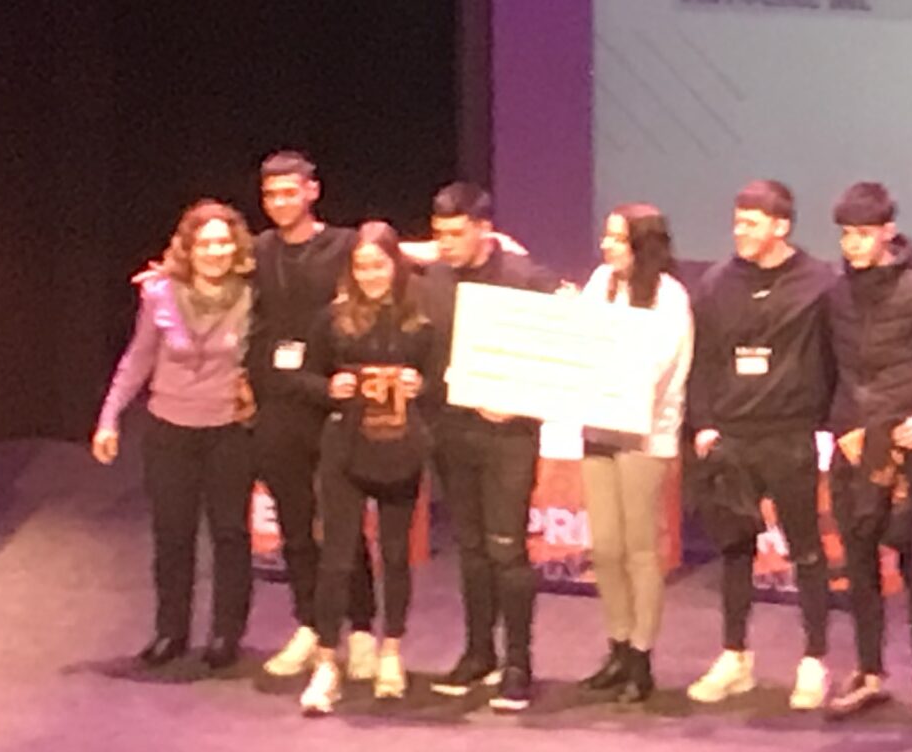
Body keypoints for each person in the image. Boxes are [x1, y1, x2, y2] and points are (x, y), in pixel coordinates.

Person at [684, 179, 838, 710]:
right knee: (734, 550)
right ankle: (735, 657)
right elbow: (702, 359)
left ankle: (814, 661)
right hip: (732, 437)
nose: (739, 232)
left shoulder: (819, 283)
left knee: (806, 550)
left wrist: (830, 419)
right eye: (737, 222)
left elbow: (838, 356)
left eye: (751, 223)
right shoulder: (716, 283)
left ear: (781, 226)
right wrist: (703, 425)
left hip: (789, 436)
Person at [821, 183, 912, 730]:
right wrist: (837, 428)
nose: (852, 245)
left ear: (887, 232)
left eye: (862, 234)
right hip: (853, 445)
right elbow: (830, 370)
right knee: (857, 564)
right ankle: (868, 671)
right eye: (845, 235)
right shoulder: (836, 295)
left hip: (904, 450)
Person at [95, 199, 259, 669]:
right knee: (173, 535)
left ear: (237, 246)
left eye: (223, 242)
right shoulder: (161, 294)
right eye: (205, 243)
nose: (215, 251)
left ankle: (226, 634)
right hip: (170, 430)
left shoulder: (255, 294)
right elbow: (138, 358)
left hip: (230, 430)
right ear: (189, 248)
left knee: (230, 534)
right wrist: (108, 418)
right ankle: (171, 632)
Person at [420, 181, 563, 711]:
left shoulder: (526, 279)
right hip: (452, 430)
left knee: (507, 547)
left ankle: (518, 663)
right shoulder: (434, 280)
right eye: (439, 234)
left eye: (456, 234)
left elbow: (560, 349)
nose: (446, 244)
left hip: (508, 435)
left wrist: (521, 399)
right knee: (472, 548)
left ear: (485, 230)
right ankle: (478, 652)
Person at [243, 150, 379, 683]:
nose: (280, 202)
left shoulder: (344, 245)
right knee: (294, 525)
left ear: (312, 191)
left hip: (333, 402)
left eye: (289, 191)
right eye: (271, 194)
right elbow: (203, 263)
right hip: (278, 404)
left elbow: (397, 252)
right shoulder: (258, 250)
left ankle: (361, 630)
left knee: (343, 524)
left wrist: (483, 242)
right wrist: (165, 276)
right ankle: (308, 624)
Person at [293, 222, 437, 713]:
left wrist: (421, 385)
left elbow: (442, 380)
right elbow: (304, 375)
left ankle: (390, 652)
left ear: (396, 265)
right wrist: (328, 387)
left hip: (399, 448)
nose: (371, 275)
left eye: (379, 265)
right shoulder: (333, 318)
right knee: (336, 558)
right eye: (361, 267)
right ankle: (326, 664)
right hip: (345, 448)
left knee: (395, 555)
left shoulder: (421, 321)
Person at [575, 204, 694, 704]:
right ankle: (618, 646)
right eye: (606, 237)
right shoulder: (599, 282)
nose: (606, 246)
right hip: (598, 426)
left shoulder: (669, 296)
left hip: (645, 433)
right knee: (605, 547)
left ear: (642, 245)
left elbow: (659, 367)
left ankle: (642, 656)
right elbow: (581, 342)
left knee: (640, 547)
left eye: (618, 239)